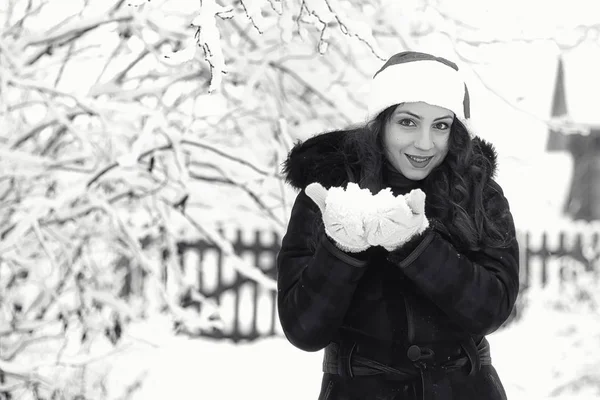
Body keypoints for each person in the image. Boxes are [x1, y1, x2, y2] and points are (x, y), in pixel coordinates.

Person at [276, 51, 519, 400]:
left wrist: (416, 246)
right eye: (408, 122)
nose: (425, 143)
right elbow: (303, 330)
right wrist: (342, 250)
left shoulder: (476, 191)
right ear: (381, 121)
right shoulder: (330, 192)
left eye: (441, 125)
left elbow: (492, 310)